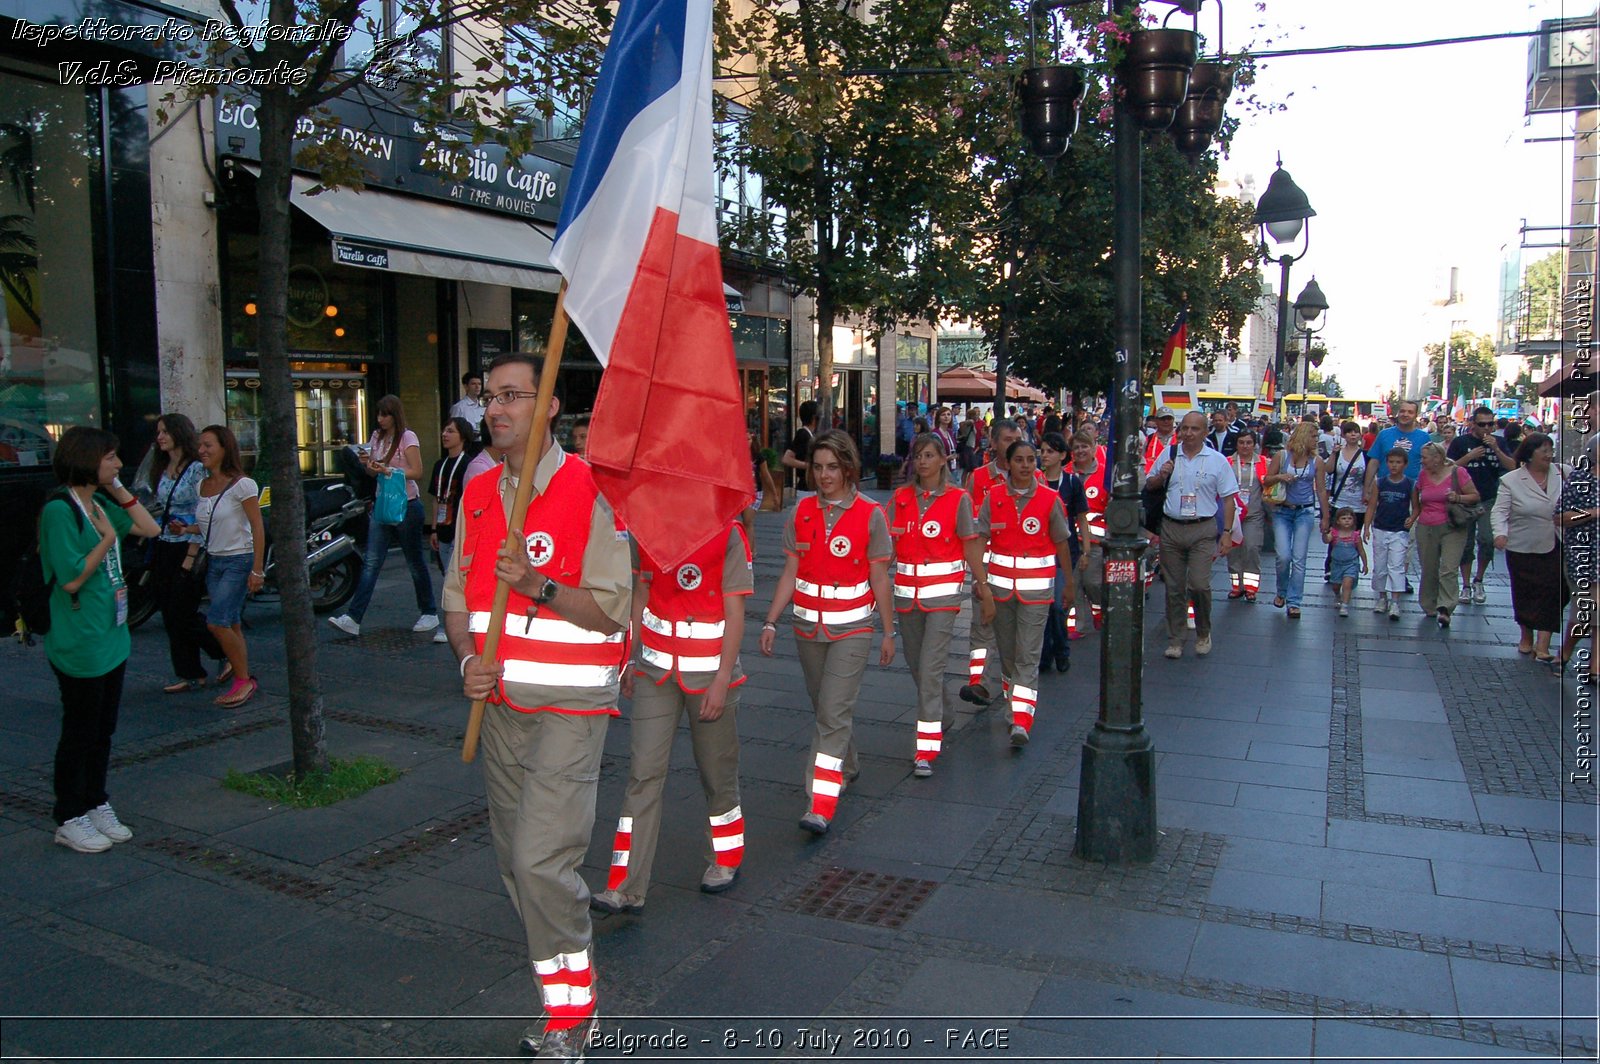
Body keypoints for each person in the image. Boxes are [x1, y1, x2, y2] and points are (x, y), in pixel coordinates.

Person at [443, 353, 630, 1057]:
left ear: (549, 405)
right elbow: (458, 598)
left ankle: (575, 1018)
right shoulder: (479, 492)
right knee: (515, 867)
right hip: (499, 709)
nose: (496, 409)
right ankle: (559, 1000)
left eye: (514, 396)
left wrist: (539, 584)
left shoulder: (591, 489)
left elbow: (614, 612)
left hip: (570, 710)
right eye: (491, 396)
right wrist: (466, 658)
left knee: (540, 862)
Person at [592, 522, 752, 914]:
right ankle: (625, 885)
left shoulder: (728, 534)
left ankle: (725, 856)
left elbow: (735, 611)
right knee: (643, 774)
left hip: (709, 676)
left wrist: (722, 679)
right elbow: (640, 595)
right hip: (656, 671)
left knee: (717, 772)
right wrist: (632, 656)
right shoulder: (647, 531)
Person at [759, 430, 894, 833]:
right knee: (825, 707)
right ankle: (847, 763)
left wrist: (888, 631)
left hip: (852, 628)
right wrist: (770, 620)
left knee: (832, 714)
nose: (824, 475)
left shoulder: (871, 514)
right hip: (807, 626)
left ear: (849, 468)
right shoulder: (800, 513)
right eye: (817, 467)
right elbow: (790, 572)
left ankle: (820, 800)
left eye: (832, 467)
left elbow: (880, 578)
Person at [38, 426, 159, 853]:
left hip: (111, 632)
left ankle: (95, 801)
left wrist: (119, 488)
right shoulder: (60, 510)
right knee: (80, 729)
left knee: (103, 729)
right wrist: (107, 538)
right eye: (111, 458)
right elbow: (70, 578)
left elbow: (149, 527)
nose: (118, 464)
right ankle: (68, 814)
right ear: (88, 459)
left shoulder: (100, 501)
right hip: (80, 637)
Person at [890, 433, 990, 778]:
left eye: (929, 455)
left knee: (931, 669)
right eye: (918, 455)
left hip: (944, 598)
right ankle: (944, 712)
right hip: (907, 595)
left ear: (944, 459)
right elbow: (887, 547)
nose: (922, 461)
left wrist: (983, 585)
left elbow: (970, 545)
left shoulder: (958, 499)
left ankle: (926, 747)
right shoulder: (901, 498)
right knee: (918, 666)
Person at [976, 438, 1074, 744]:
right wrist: (981, 583)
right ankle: (1013, 702)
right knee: (1008, 655)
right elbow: (980, 540)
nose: (1026, 465)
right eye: (1019, 460)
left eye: (1031, 459)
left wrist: (1068, 582)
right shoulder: (993, 497)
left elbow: (1061, 544)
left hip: (1036, 594)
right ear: (1008, 463)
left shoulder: (1049, 499)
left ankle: (1020, 720)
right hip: (1000, 591)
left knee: (1027, 657)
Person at [328, 395, 438, 638]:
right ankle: (354, 617)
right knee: (372, 561)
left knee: (414, 561)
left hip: (406, 504)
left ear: (394, 415)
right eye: (378, 414)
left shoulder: (407, 437)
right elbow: (371, 472)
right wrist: (369, 464)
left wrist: (389, 470)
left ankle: (429, 611)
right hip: (382, 504)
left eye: (385, 414)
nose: (380, 419)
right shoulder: (377, 437)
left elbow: (417, 471)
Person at [179, 425, 266, 708]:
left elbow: (256, 526)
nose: (201, 450)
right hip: (214, 561)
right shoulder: (201, 486)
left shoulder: (243, 485)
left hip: (238, 561)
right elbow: (209, 526)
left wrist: (257, 569)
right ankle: (237, 668)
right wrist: (185, 530)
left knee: (216, 622)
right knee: (231, 622)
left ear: (224, 448)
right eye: (199, 446)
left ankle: (243, 679)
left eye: (208, 445)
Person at [1146, 411, 1239, 657]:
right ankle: (1176, 638)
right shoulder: (1170, 453)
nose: (1188, 433)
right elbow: (1150, 485)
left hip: (1202, 528)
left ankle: (1203, 631)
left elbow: (1229, 500)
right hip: (1171, 527)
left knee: (1198, 584)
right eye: (1184, 428)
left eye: (1194, 429)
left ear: (1205, 432)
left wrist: (1227, 532)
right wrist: (1162, 474)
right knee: (1173, 587)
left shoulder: (1217, 460)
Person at [147, 413, 228, 693]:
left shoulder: (196, 469)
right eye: (158, 432)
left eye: (165, 432)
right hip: (164, 541)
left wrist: (192, 549)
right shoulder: (162, 467)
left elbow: (205, 511)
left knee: (183, 610)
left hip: (189, 543)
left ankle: (223, 650)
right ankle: (189, 671)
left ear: (179, 433)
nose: (160, 437)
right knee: (169, 611)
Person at [960, 418, 1029, 706]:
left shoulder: (1029, 476)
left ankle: (1015, 686)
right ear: (994, 442)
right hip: (987, 565)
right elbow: (971, 525)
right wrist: (976, 572)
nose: (1012, 444)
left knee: (1015, 632)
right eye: (1006, 439)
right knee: (982, 624)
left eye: (1017, 438)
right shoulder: (978, 478)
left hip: (1021, 566)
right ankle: (979, 682)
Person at [1492, 433, 1568, 660]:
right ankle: (1526, 635)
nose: (1548, 454)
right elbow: (1500, 511)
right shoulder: (1512, 480)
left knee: (1554, 591)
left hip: (1557, 541)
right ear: (1529, 454)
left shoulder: (1563, 472)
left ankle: (1543, 645)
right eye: (1542, 450)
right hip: (1523, 544)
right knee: (1526, 591)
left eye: (1550, 449)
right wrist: (1500, 534)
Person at [1448, 406, 1516, 604]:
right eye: (1481, 424)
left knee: (1487, 540)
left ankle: (1479, 579)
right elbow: (1449, 467)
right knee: (1465, 543)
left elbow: (1513, 467)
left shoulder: (1500, 442)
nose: (1486, 428)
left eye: (1490, 424)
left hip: (1489, 498)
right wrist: (1469, 457)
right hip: (1465, 500)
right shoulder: (1461, 442)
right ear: (1472, 424)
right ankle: (1467, 584)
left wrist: (1495, 448)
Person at [1037, 431, 1090, 673]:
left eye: (1049, 451)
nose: (1044, 455)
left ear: (1061, 455)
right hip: (1039, 552)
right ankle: (1047, 653)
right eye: (1043, 450)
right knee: (1045, 606)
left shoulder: (1071, 483)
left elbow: (1081, 518)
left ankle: (1060, 650)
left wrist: (1086, 550)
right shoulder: (1036, 481)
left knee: (1058, 605)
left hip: (1064, 552)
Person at [1413, 441, 1481, 628]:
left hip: (1453, 525)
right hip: (1426, 526)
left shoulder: (1457, 472)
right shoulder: (1423, 475)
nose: (1422, 461)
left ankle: (1446, 607)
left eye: (1425, 457)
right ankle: (1429, 604)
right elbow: (1417, 494)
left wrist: (1458, 497)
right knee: (1429, 567)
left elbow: (1475, 496)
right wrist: (1414, 516)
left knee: (1449, 568)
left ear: (1437, 459)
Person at [1263, 422, 1327, 620]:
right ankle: (1281, 591)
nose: (1316, 439)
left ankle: (1294, 601)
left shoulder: (1316, 461)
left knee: (1299, 558)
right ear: (1303, 436)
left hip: (1305, 512)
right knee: (1283, 556)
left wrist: (1325, 517)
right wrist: (1281, 476)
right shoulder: (1282, 456)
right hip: (1283, 510)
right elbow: (1266, 479)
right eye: (1314, 436)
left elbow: (1322, 490)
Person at [427, 417, 476, 645]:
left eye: (450, 431)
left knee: (451, 579)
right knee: (447, 577)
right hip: (443, 528)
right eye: (444, 430)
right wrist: (433, 529)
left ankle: (446, 625)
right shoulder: (440, 464)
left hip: (459, 529)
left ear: (462, 437)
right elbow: (437, 499)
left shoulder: (468, 464)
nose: (445, 434)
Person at [1557, 434, 1600, 683]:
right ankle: (1565, 652)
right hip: (1584, 554)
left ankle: (1594, 667)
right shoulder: (1580, 478)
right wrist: (1592, 513)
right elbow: (1560, 516)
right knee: (1585, 611)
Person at [1363, 448, 1415, 621]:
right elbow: (1372, 505)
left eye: (1398, 462)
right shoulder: (1380, 482)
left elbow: (1416, 506)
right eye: (1391, 462)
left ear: (1405, 464)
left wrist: (1412, 517)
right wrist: (1367, 526)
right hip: (1381, 527)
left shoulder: (1409, 484)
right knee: (1380, 565)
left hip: (1400, 530)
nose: (1394, 465)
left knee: (1397, 565)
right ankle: (1381, 597)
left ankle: (1395, 601)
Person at [1068, 428, 1108, 635]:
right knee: (1073, 584)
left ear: (1094, 449)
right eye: (1076, 447)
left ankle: (1098, 609)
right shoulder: (1065, 472)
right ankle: (1077, 625)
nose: (1081, 450)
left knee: (1092, 582)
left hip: (1096, 541)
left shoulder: (1104, 473)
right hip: (1070, 540)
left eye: (1085, 446)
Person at [1321, 421, 1369, 585]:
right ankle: (1332, 567)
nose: (1353, 435)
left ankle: (1351, 568)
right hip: (1339, 502)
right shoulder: (1339, 453)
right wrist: (1333, 454)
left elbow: (1370, 477)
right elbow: (1328, 470)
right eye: (1349, 432)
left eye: (1356, 432)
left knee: (1353, 538)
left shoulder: (1365, 455)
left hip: (1358, 505)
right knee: (1336, 536)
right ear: (1343, 435)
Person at [1226, 429, 1268, 601]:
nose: (1245, 446)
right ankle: (1237, 585)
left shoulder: (1264, 462)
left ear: (1255, 444)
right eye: (1241, 442)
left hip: (1253, 514)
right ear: (1236, 444)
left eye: (1249, 442)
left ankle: (1251, 587)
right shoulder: (1227, 462)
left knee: (1251, 548)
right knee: (1233, 550)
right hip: (1232, 514)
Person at [1323, 507, 1368, 616]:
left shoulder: (1355, 535)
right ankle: (1337, 595)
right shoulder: (1334, 533)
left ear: (1353, 520)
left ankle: (1345, 605)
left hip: (1351, 563)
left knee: (1347, 583)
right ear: (1338, 521)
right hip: (1336, 564)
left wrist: (1365, 564)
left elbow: (1361, 551)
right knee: (1335, 585)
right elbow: (1326, 540)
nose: (1347, 520)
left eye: (1349, 518)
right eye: (1343, 518)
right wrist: (1324, 533)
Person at [781, 400, 819, 498]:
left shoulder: (810, 435)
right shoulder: (803, 434)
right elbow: (787, 459)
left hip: (812, 486)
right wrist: (809, 466)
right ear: (814, 418)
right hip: (806, 487)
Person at [1143, 407, 1179, 473]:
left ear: (1173, 420)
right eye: (1162, 419)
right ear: (1156, 420)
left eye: (1169, 418)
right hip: (1151, 479)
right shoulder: (1148, 439)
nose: (1166, 421)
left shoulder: (1180, 438)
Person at [933, 405, 959, 475]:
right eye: (943, 415)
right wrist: (947, 458)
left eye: (948, 414)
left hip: (953, 468)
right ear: (938, 418)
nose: (946, 417)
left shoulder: (950, 432)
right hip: (941, 470)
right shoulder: (935, 434)